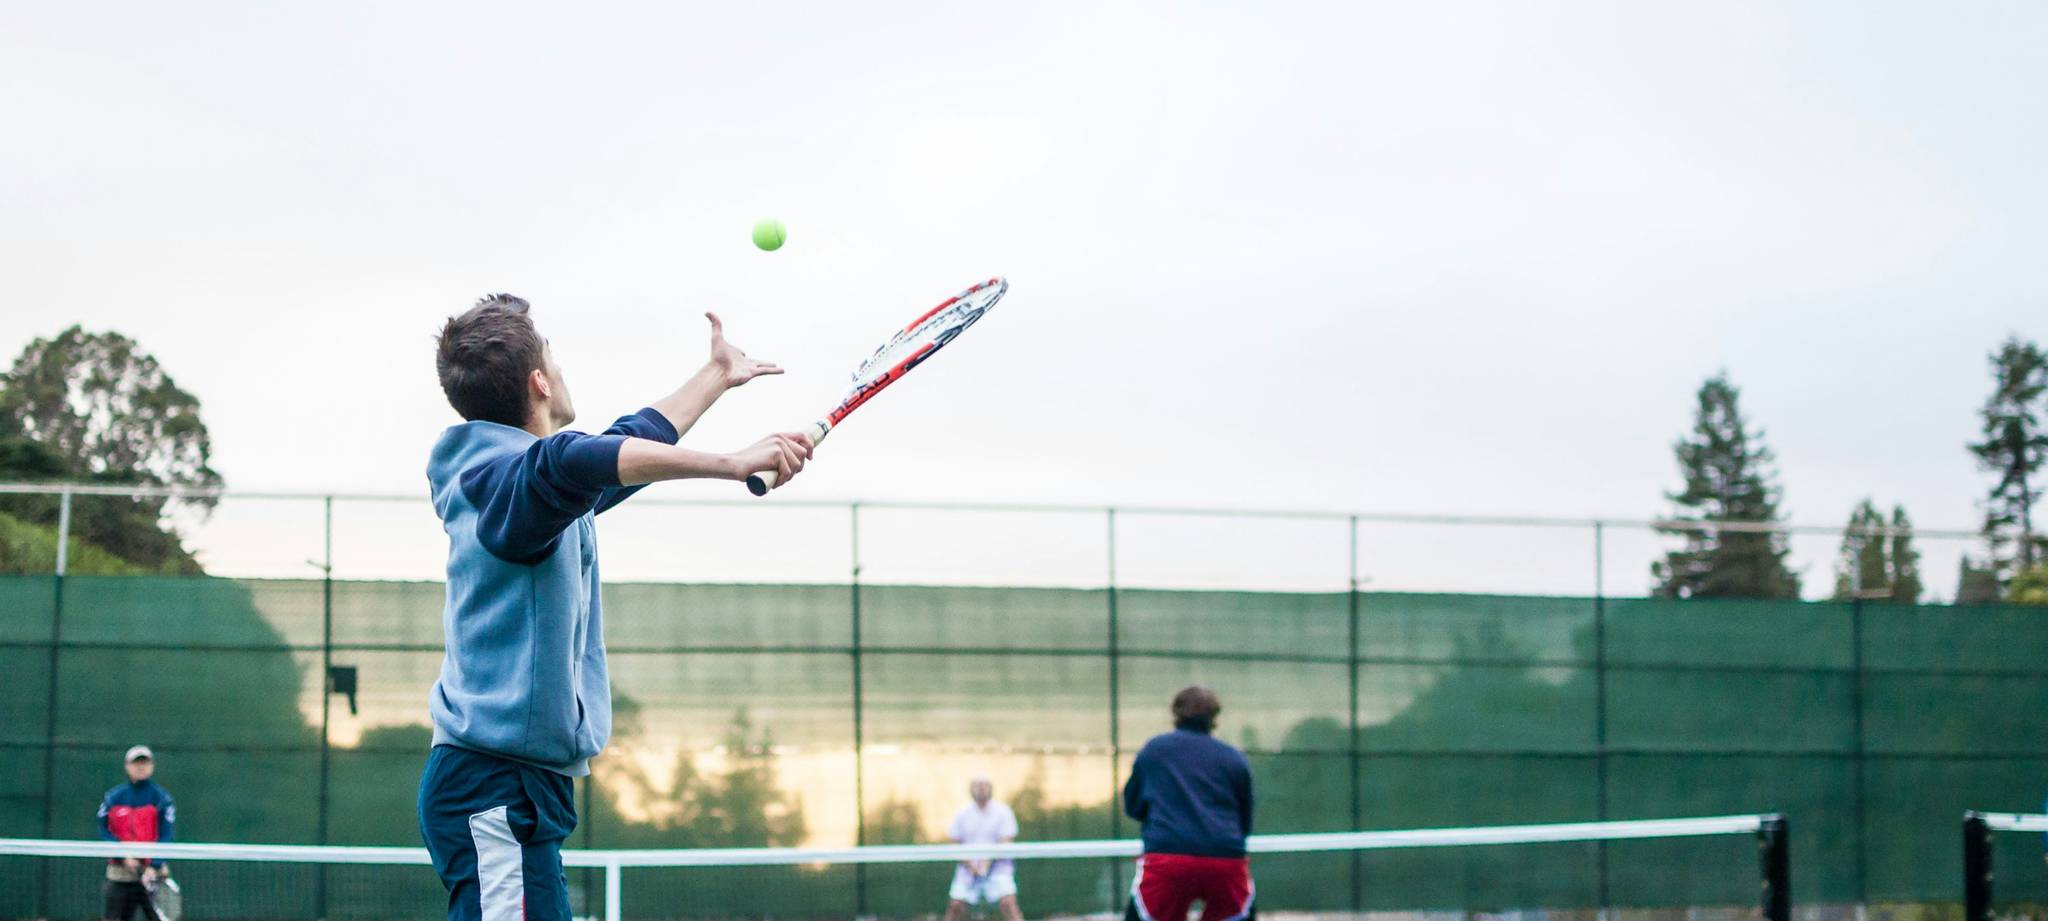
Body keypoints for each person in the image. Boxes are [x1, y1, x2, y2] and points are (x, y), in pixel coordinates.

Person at [418, 295, 812, 921]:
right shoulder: (507, 486)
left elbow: (619, 448)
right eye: (555, 359)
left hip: (516, 786)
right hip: (493, 787)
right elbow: (574, 460)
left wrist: (716, 376)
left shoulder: (526, 491)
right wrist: (731, 463)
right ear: (540, 382)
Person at [1121, 686, 1255, 921]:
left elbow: (1133, 805)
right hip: (1225, 858)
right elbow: (1244, 819)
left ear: (1176, 714)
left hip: (1168, 858)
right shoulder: (1234, 758)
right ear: (1214, 718)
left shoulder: (1154, 750)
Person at [98, 745, 175, 921]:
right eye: (136, 763)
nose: (141, 767)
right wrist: (123, 856)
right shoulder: (113, 797)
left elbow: (166, 834)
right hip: (120, 874)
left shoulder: (162, 798)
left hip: (153, 876)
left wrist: (154, 866)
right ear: (127, 766)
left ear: (152, 766)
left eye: (145, 763)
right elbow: (104, 830)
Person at [943, 775, 1024, 921]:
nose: (981, 788)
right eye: (977, 785)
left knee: (1008, 904)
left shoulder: (1003, 811)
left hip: (999, 868)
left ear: (991, 788)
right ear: (971, 789)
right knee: (955, 906)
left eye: (984, 785)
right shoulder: (961, 813)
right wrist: (971, 866)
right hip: (967, 870)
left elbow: (1006, 840)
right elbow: (955, 843)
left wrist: (987, 862)